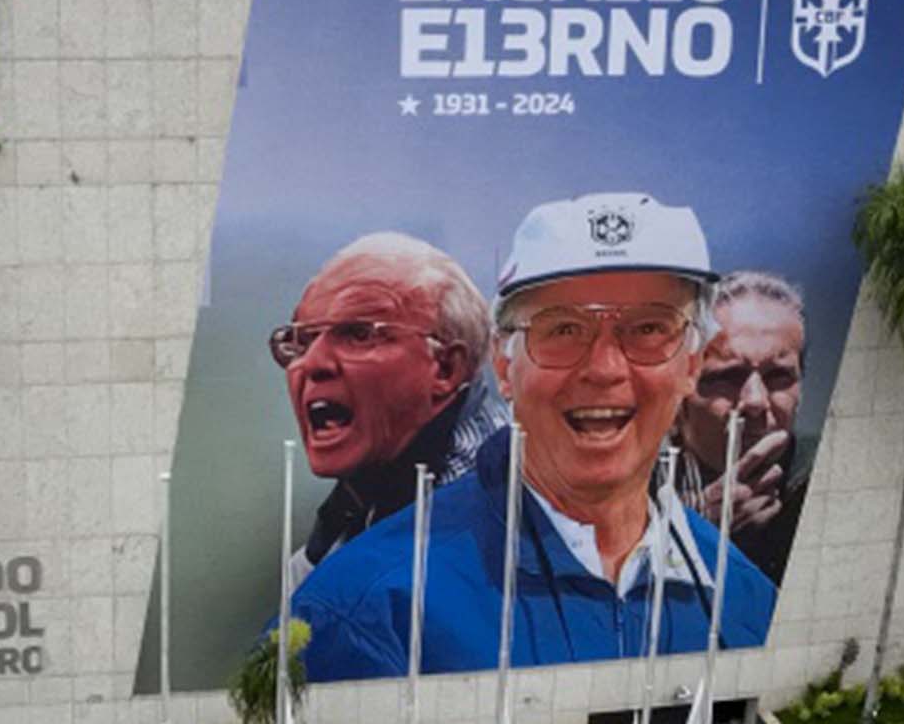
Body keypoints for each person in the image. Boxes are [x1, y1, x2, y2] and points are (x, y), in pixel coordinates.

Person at [289, 193, 776, 682]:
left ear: (692, 364)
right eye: (563, 328)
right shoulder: (363, 612)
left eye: (649, 328)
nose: (604, 369)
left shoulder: (744, 597)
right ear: (504, 365)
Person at [269, 233, 503, 583]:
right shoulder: (347, 523)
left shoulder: (504, 527)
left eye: (360, 334)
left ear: (445, 369)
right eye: (302, 340)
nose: (310, 363)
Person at [674, 271, 809, 586]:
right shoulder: (622, 490)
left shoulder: (829, 479)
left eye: (778, 377)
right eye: (728, 377)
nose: (756, 401)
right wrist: (692, 528)